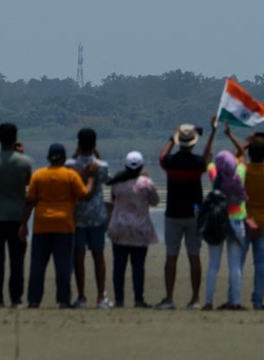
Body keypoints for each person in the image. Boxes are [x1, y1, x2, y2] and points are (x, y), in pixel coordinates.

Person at [20, 142, 95, 308]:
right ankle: (63, 300)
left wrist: (23, 224)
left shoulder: (38, 175)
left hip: (41, 225)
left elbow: (30, 201)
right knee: (63, 265)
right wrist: (90, 178)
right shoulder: (71, 175)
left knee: (38, 265)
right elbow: (85, 194)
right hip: (64, 225)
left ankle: (34, 300)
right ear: (63, 158)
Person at [156, 122, 216, 310]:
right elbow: (208, 159)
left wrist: (171, 138)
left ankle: (169, 298)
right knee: (194, 256)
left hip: (173, 214)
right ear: (193, 143)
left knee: (171, 257)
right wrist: (212, 133)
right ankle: (195, 299)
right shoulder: (197, 163)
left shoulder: (171, 163)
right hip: (193, 214)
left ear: (178, 141)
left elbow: (162, 156)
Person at [226, 127, 264, 310]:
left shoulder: (243, 170)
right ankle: (258, 301)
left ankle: (233, 298)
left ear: (250, 152)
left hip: (243, 220)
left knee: (238, 262)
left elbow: (229, 160)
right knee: (261, 264)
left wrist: (245, 143)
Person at [0, 122, 32, 307]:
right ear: (15, 138)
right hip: (18, 218)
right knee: (17, 260)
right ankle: (16, 298)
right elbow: (30, 189)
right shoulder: (25, 162)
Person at [106, 151, 160, 308]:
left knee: (119, 266)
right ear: (141, 166)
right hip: (140, 229)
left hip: (119, 228)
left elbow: (113, 199)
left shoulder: (116, 182)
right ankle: (138, 299)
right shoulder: (146, 183)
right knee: (138, 266)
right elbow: (155, 201)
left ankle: (119, 300)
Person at [68, 127, 110, 308]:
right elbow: (105, 179)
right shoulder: (101, 166)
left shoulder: (70, 165)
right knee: (98, 255)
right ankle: (101, 296)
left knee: (79, 256)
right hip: (97, 215)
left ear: (78, 144)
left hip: (77, 215)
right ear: (94, 145)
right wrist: (97, 156)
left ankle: (81, 296)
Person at [202, 149, 249, 311]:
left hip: (217, 223)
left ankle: (208, 302)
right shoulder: (239, 176)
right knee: (235, 265)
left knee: (213, 265)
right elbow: (243, 157)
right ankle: (235, 301)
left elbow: (207, 158)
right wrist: (238, 143)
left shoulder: (216, 177)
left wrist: (213, 133)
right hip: (236, 222)